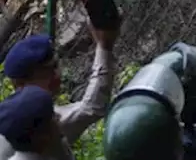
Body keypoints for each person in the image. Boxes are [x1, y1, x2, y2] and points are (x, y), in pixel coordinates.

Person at [2, 26, 118, 157]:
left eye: (56, 66)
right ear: (19, 84)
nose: (57, 76)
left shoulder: (14, 113)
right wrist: (104, 47)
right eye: (47, 73)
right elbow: (92, 107)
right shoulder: (35, 125)